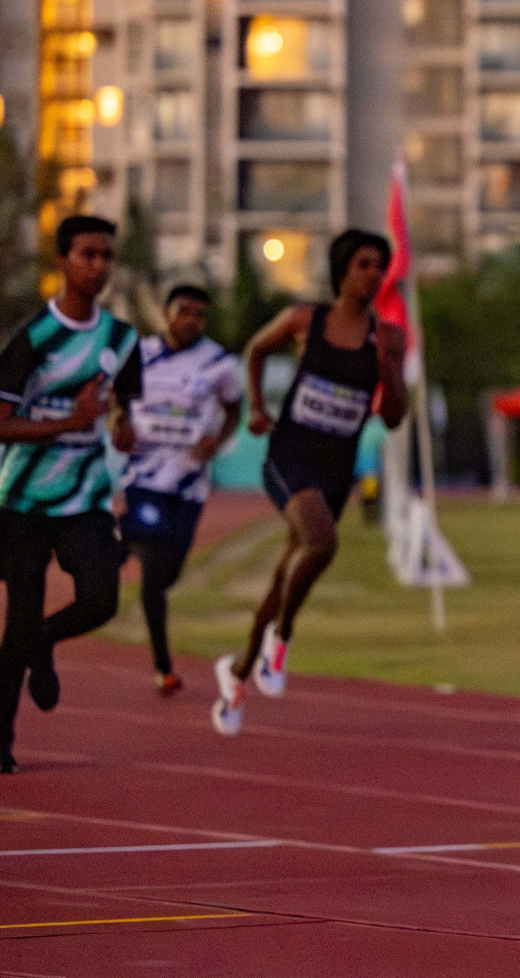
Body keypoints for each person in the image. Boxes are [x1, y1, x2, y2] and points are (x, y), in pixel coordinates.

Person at [211, 229, 408, 737]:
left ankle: (238, 672)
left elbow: (392, 419)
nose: (373, 274)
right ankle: (283, 635)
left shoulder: (388, 338)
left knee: (286, 571)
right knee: (322, 541)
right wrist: (256, 406)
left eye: (379, 266)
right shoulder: (306, 320)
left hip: (335, 468)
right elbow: (254, 349)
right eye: (363, 263)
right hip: (289, 456)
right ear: (343, 269)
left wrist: (390, 367)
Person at [0, 215, 142, 774]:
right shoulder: (32, 339)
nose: (98, 266)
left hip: (86, 497)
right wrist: (67, 423)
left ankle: (45, 642)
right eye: (87, 254)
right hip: (26, 500)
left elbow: (125, 411)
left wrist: (125, 429)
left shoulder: (123, 340)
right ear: (63, 260)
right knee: (18, 618)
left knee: (101, 598)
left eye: (106, 256)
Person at [114, 284, 243, 696]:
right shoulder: (139, 354)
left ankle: (120, 535)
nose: (190, 319)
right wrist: (120, 423)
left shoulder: (219, 362)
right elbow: (117, 400)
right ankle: (163, 667)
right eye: (183, 310)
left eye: (199, 314)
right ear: (166, 312)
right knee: (153, 572)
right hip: (146, 477)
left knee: (170, 572)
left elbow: (234, 408)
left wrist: (217, 440)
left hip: (189, 484)